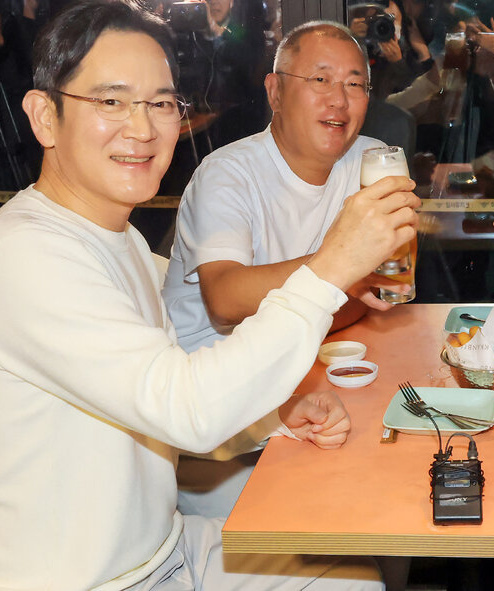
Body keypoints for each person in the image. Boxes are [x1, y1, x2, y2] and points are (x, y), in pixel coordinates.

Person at [0, 0, 418, 588]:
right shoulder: (22, 256)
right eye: (111, 101)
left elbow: (164, 403)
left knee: (351, 572)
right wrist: (331, 267)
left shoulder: (129, 251)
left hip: (162, 550)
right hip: (80, 581)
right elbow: (187, 410)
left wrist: (275, 417)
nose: (141, 128)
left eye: (161, 104)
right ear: (45, 116)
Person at [162, 20, 413, 517]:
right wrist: (339, 266)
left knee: (408, 483)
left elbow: (381, 293)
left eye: (355, 84)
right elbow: (226, 299)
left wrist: (349, 285)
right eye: (319, 80)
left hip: (304, 390)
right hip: (219, 429)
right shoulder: (227, 176)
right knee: (369, 510)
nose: (339, 99)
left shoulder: (372, 163)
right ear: (275, 92)